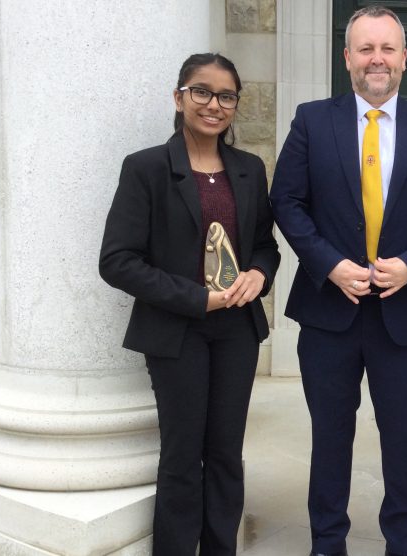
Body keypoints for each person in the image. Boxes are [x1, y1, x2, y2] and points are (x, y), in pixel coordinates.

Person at [269, 6, 407, 556]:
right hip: (329, 313)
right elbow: (285, 201)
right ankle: (326, 543)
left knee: (402, 442)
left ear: (404, 59)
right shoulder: (312, 120)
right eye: (365, 48)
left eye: (387, 48)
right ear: (347, 59)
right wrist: (329, 264)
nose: (376, 59)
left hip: (403, 318)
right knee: (329, 440)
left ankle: (403, 544)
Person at [99, 53, 280, 555]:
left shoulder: (248, 169)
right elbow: (117, 261)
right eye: (202, 92)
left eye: (226, 96)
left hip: (237, 331)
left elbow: (265, 244)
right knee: (182, 456)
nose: (214, 105)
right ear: (179, 98)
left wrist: (258, 274)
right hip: (176, 332)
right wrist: (197, 299)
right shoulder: (147, 168)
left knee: (226, 453)